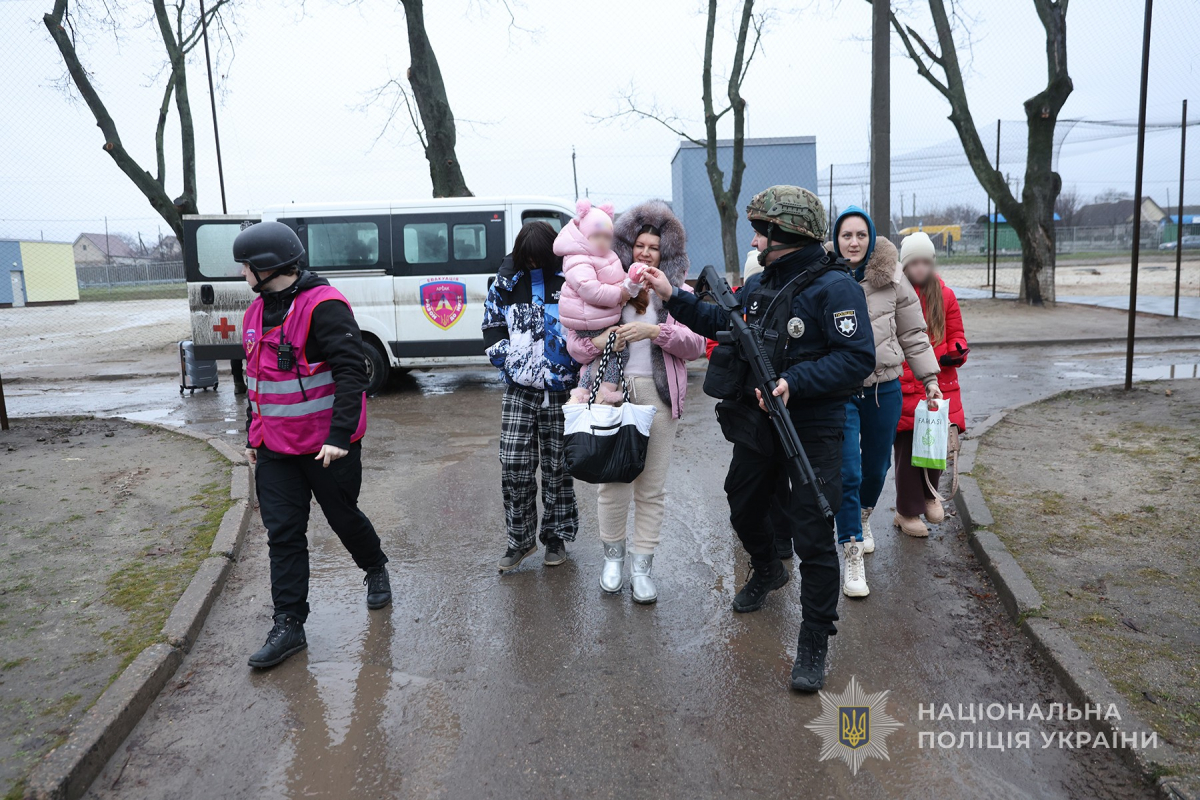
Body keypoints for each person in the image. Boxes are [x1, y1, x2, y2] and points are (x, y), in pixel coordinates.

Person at [641, 187, 875, 691]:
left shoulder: (836, 289)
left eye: (762, 230)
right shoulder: (762, 283)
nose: (754, 238)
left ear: (785, 235)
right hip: (757, 420)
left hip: (811, 427)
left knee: (813, 531)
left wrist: (797, 382)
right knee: (743, 504)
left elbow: (857, 359)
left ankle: (814, 635)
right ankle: (768, 567)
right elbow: (722, 323)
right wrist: (670, 293)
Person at [235, 221, 391, 670]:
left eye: (245, 266)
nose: (242, 274)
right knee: (283, 534)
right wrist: (253, 434)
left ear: (264, 268)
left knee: (343, 518)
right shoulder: (253, 315)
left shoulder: (324, 306)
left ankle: (375, 566)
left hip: (327, 447)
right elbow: (256, 380)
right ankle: (289, 625)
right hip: (275, 450)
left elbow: (351, 372)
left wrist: (340, 436)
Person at [566, 201, 706, 603]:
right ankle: (613, 560)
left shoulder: (677, 293)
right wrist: (605, 339)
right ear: (629, 245)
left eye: (654, 247)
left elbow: (697, 344)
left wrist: (654, 333)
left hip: (659, 398)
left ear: (667, 253)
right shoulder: (605, 286)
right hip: (610, 394)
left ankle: (643, 568)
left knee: (651, 488)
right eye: (640, 244)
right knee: (612, 482)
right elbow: (575, 345)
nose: (646, 252)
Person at [829, 207, 941, 600]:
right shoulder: (825, 276)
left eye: (861, 235)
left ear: (871, 238)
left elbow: (913, 333)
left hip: (884, 389)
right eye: (846, 235)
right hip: (840, 392)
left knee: (876, 468)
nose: (854, 242)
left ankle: (863, 515)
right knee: (849, 470)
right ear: (836, 239)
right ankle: (852, 549)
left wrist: (929, 380)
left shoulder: (893, 278)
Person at [482, 221, 581, 571]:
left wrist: (578, 367)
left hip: (562, 390)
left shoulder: (571, 280)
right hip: (519, 389)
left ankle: (555, 537)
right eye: (530, 259)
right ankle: (519, 541)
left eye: (542, 259)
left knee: (558, 467)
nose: (535, 265)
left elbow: (586, 325)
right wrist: (508, 361)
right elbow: (491, 324)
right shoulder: (505, 283)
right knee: (514, 464)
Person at [894, 232, 968, 536]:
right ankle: (906, 512)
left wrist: (956, 351)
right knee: (908, 452)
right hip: (904, 384)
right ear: (904, 264)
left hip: (939, 383)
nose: (920, 268)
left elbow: (957, 333)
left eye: (926, 262)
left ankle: (929, 497)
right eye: (914, 262)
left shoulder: (945, 296)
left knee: (935, 448)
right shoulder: (895, 293)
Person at [554, 199, 635, 404]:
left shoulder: (604, 256)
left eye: (606, 237)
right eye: (595, 236)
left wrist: (628, 284)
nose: (601, 241)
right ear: (583, 235)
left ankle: (582, 392)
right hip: (589, 320)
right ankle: (604, 394)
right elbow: (590, 289)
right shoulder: (578, 258)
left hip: (599, 318)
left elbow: (615, 278)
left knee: (599, 359)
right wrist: (621, 294)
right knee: (618, 354)